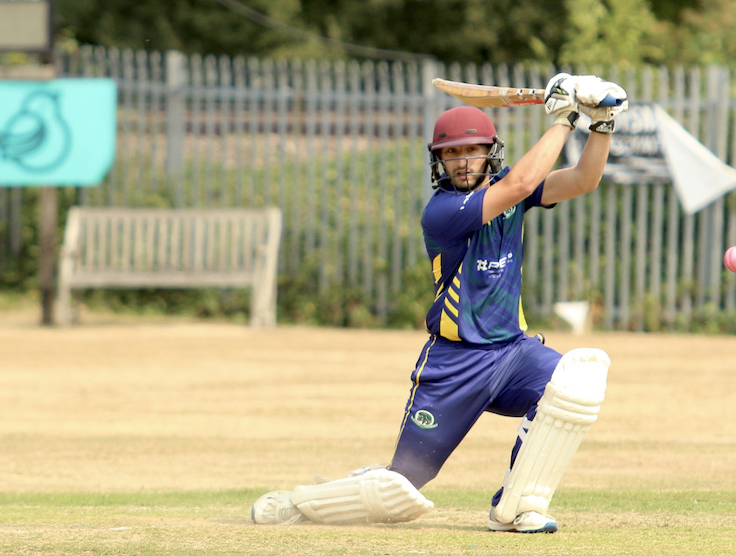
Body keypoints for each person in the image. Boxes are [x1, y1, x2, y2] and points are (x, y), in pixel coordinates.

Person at [251, 72, 627, 533]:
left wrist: (602, 124)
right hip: (453, 362)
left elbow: (585, 180)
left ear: (490, 151)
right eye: (450, 153)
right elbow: (521, 182)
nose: (462, 161)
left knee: (574, 382)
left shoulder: (514, 192)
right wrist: (566, 117)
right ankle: (301, 503)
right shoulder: (444, 211)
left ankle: (518, 505)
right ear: (438, 162)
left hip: (512, 353)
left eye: (471, 150)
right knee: (401, 488)